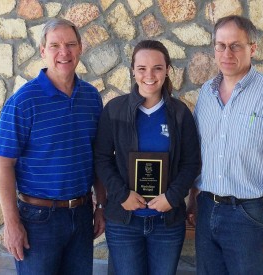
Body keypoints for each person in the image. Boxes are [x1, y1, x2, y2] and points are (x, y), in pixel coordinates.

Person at [187, 15, 263, 275]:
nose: (227, 53)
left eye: (235, 45)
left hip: (249, 216)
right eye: (221, 45)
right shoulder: (206, 93)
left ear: (252, 48)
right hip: (206, 210)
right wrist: (193, 200)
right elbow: (200, 152)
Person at [0, 18, 106, 275]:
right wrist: (11, 223)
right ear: (43, 51)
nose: (63, 52)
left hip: (81, 215)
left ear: (80, 48)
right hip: (37, 220)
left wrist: (101, 205)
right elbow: (3, 164)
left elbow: (98, 157)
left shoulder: (91, 97)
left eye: (70, 44)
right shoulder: (23, 102)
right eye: (55, 45)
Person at [95, 40, 200, 275]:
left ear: (167, 70)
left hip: (167, 221)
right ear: (133, 70)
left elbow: (191, 163)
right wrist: (122, 195)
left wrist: (172, 198)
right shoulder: (114, 110)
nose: (149, 75)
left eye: (157, 68)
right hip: (124, 221)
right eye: (142, 68)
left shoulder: (180, 113)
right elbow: (101, 158)